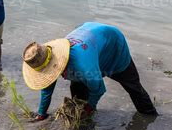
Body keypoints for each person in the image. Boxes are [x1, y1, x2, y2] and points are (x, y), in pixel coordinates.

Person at [21, 22, 157, 121]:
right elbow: (47, 87)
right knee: (78, 91)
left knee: (133, 86)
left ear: (56, 62)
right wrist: (41, 113)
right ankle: (85, 121)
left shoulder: (83, 67)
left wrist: (89, 107)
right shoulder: (46, 57)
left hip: (112, 43)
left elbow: (99, 89)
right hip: (90, 40)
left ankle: (151, 119)